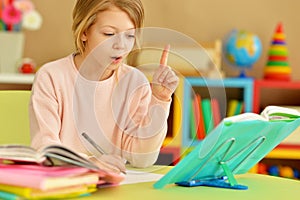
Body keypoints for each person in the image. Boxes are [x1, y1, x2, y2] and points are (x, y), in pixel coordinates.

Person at [29, 0, 179, 174]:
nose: (121, 46)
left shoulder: (134, 82)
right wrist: (90, 163)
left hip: (113, 187)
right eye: (109, 34)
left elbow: (142, 159)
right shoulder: (51, 77)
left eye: (130, 36)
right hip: (64, 183)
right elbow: (45, 148)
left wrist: (160, 101)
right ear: (84, 32)